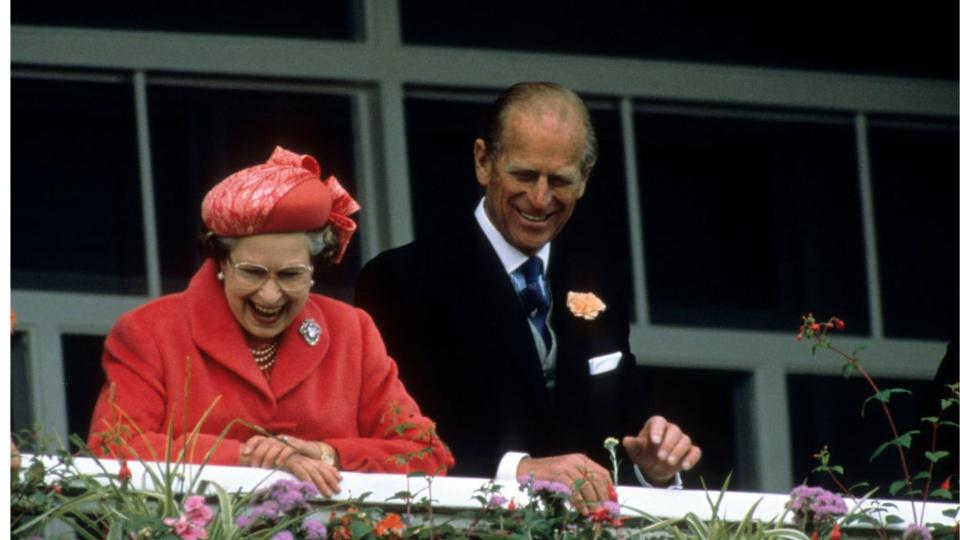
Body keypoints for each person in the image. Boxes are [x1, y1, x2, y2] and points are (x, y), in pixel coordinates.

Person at [355, 82, 700, 505]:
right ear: (483, 161)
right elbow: (391, 438)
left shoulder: (599, 280)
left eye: (559, 180)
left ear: (585, 180)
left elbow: (621, 430)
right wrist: (514, 470)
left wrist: (654, 464)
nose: (539, 199)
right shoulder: (402, 278)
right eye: (523, 175)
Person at [88, 146, 453, 496]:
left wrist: (328, 455)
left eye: (291, 275)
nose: (270, 295)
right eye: (253, 273)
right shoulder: (151, 331)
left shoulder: (351, 332)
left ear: (314, 269)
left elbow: (426, 454)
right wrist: (247, 458)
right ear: (220, 263)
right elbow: (113, 448)